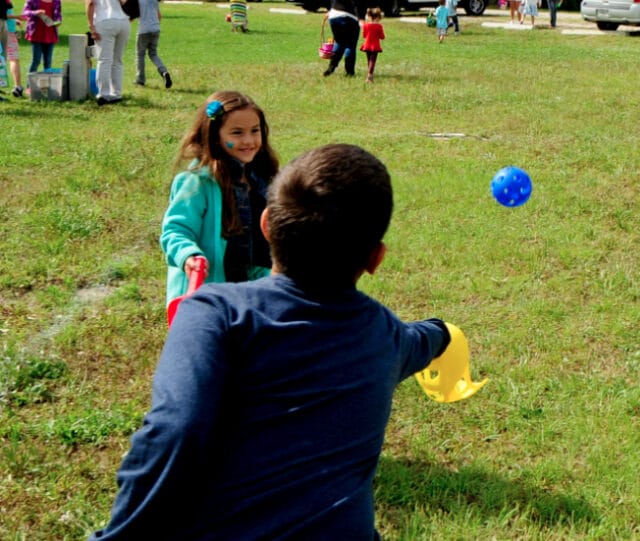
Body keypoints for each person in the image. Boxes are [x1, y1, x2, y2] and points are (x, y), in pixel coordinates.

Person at [89, 143, 454, 540]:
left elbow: (177, 429)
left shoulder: (215, 313)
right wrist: (445, 332)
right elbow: (423, 339)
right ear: (376, 259)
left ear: (265, 225)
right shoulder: (387, 334)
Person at [160, 90, 280, 306]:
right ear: (214, 136)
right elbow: (175, 231)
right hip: (212, 290)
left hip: (255, 283)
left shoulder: (263, 179)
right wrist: (188, 255)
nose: (249, 140)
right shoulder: (197, 183)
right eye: (237, 133)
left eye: (255, 130)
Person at [87, 0, 130, 105]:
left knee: (104, 59)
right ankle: (117, 94)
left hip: (105, 21)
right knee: (117, 60)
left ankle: (103, 94)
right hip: (124, 21)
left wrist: (91, 26)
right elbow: (124, 2)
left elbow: (90, 3)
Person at [134, 0, 171, 88]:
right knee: (153, 54)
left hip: (143, 30)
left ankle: (140, 80)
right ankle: (164, 72)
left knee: (140, 55)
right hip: (156, 29)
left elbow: (134, 14)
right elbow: (159, 16)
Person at [323, 0, 359, 77]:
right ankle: (349, 72)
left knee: (339, 42)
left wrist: (329, 9)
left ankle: (331, 67)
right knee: (350, 45)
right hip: (349, 15)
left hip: (334, 15)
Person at [22, 0, 59, 73]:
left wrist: (58, 20)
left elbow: (58, 14)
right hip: (36, 35)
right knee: (36, 60)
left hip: (50, 35)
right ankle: (30, 83)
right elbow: (25, 12)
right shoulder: (32, 1)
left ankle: (47, 82)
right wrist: (35, 12)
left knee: (48, 61)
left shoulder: (56, 1)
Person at [5, 2, 25, 97]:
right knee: (14, 59)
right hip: (8, 33)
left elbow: (7, 14)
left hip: (9, 30)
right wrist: (17, 16)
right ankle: (18, 87)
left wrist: (15, 20)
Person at [359, 6, 383, 83]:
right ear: (378, 17)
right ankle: (370, 75)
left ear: (369, 16)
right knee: (373, 61)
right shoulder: (379, 26)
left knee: (369, 60)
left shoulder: (366, 25)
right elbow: (382, 37)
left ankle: (369, 74)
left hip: (367, 45)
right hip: (375, 46)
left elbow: (364, 35)